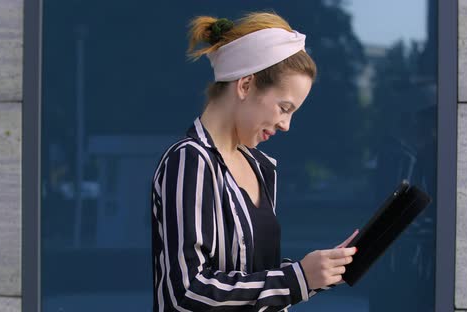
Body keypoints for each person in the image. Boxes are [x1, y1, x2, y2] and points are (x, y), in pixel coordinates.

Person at [151, 12, 358, 311]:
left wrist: (316, 273)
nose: (286, 124)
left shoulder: (261, 167)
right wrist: (297, 278)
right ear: (246, 85)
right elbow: (185, 293)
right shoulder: (189, 160)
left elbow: (252, 276)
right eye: (284, 107)